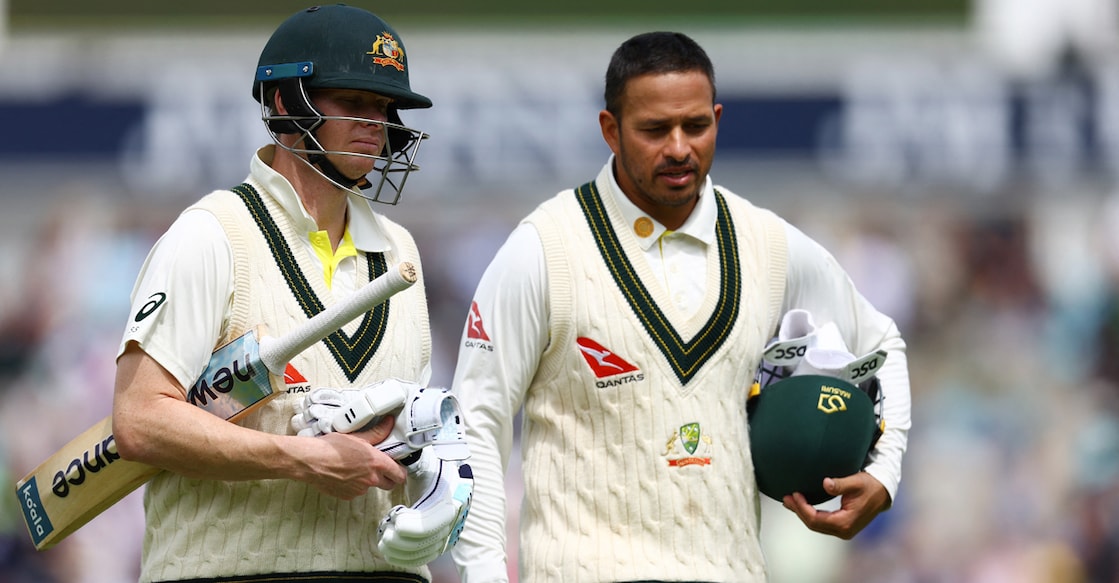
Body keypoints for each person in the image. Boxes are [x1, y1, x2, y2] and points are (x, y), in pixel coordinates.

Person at [450, 31, 911, 582]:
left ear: (717, 117)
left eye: (696, 126)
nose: (678, 147)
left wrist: (884, 474)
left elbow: (881, 341)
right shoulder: (544, 249)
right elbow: (475, 422)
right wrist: (483, 573)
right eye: (653, 129)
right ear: (609, 130)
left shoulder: (767, 245)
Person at [111, 5, 465, 582]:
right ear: (284, 103)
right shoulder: (212, 234)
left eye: (383, 107)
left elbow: (406, 427)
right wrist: (304, 459)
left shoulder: (401, 251)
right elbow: (139, 420)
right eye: (353, 102)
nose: (375, 123)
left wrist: (435, 466)